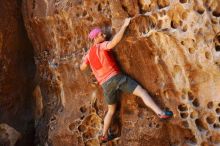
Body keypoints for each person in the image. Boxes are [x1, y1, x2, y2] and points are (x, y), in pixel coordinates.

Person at [80, 18, 173, 143]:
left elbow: (82, 67)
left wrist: (84, 58)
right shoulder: (101, 46)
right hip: (116, 78)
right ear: (96, 38)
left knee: (111, 110)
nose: (105, 35)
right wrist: (124, 25)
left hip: (105, 85)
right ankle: (160, 113)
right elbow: (113, 43)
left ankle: (104, 135)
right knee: (142, 92)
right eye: (101, 34)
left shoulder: (89, 54)